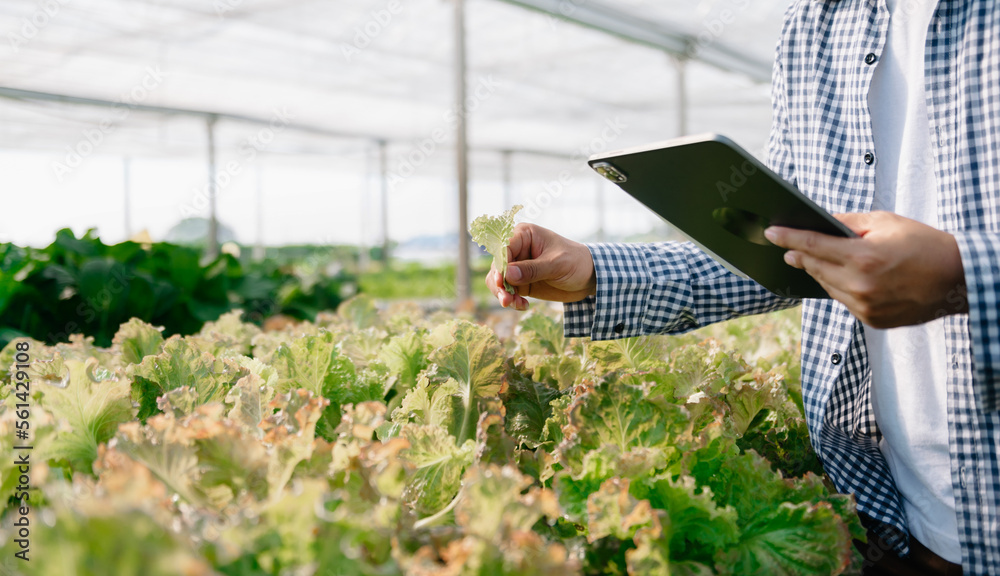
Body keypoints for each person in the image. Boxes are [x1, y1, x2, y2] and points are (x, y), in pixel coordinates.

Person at [486, 1, 1000, 575]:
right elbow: (780, 246)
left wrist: (966, 278)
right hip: (894, 515)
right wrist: (593, 272)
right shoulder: (816, 23)